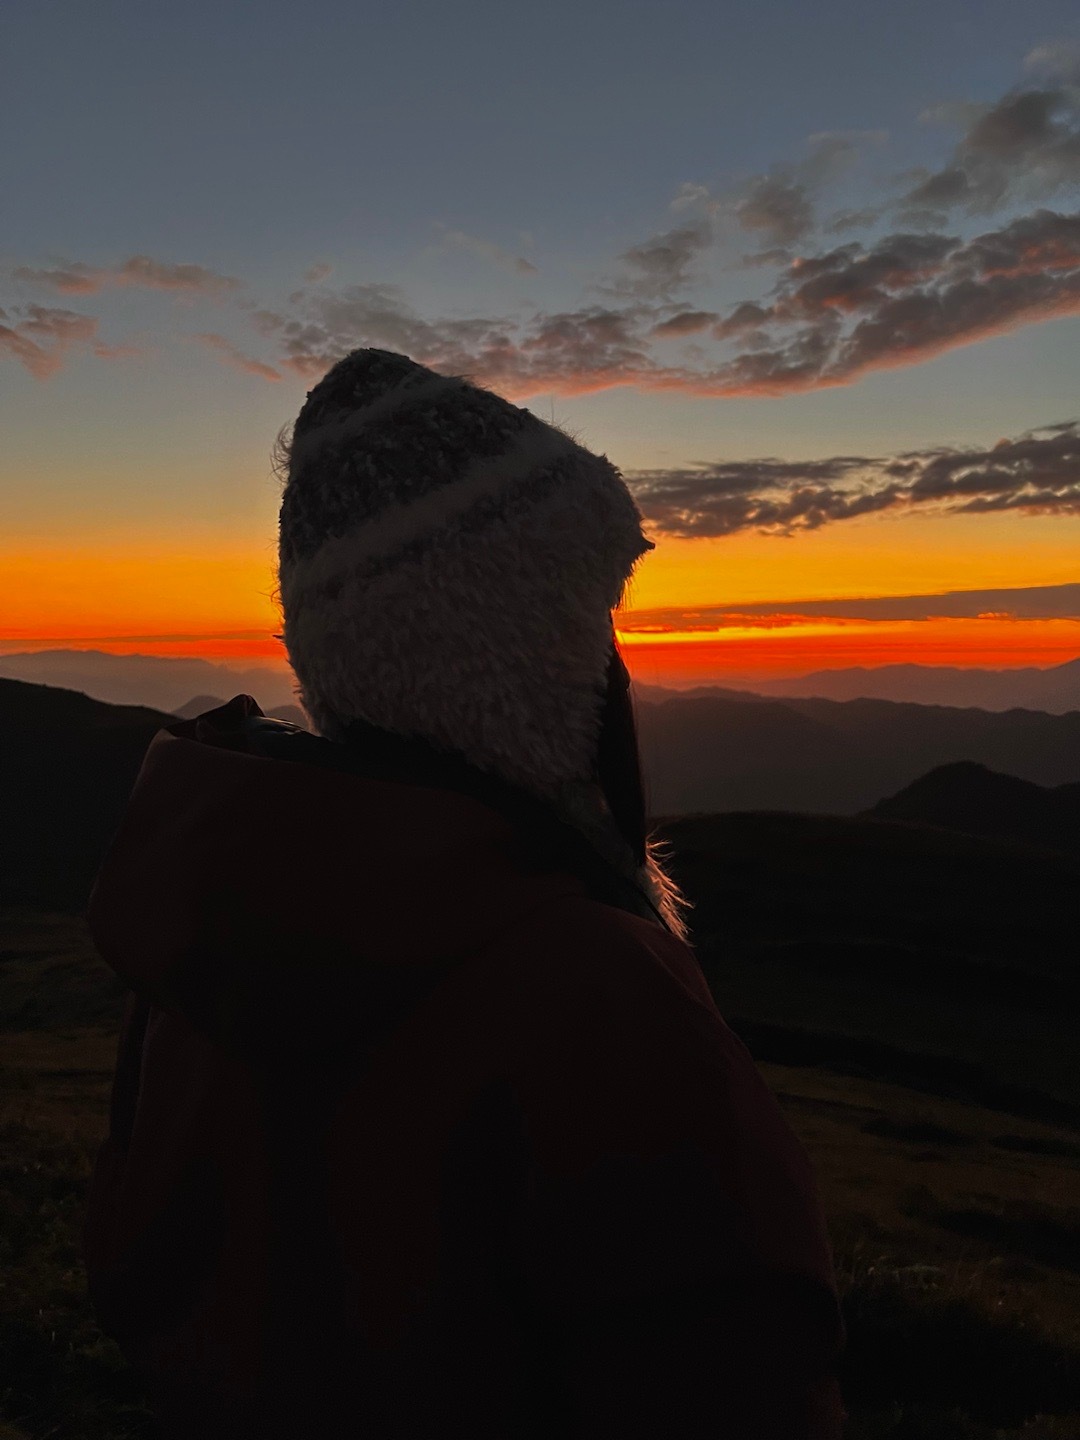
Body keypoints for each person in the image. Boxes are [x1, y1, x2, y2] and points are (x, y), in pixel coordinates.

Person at [84, 349, 847, 1438]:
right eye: (587, 618)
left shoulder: (203, 933)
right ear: (516, 648)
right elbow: (737, 1380)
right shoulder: (598, 994)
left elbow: (140, 1285)